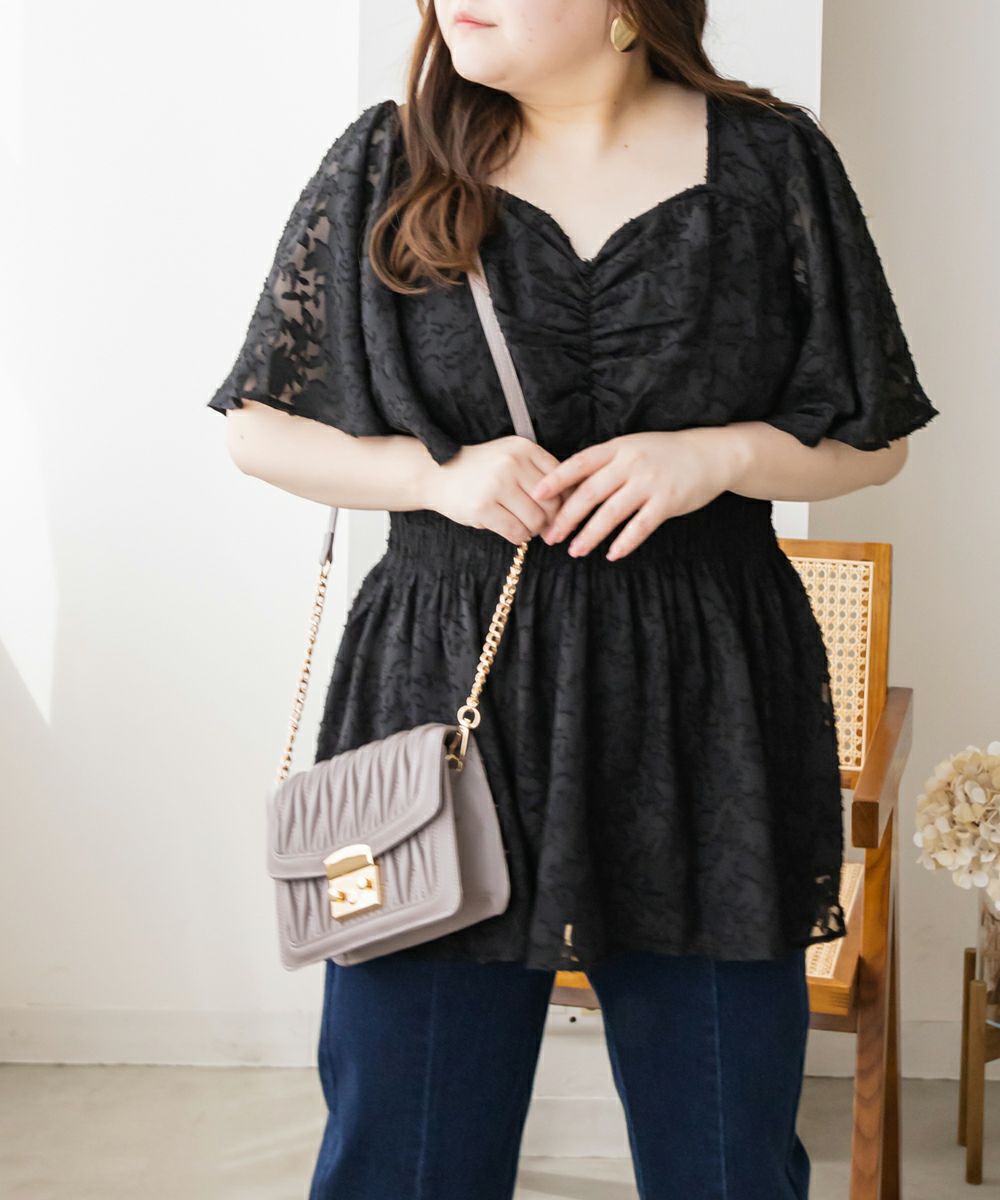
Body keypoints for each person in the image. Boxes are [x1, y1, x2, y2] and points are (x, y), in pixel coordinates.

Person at [206, 3, 939, 1197]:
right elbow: (259, 429)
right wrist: (436, 479)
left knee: (725, 1158)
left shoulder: (772, 163)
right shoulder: (389, 158)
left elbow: (874, 436)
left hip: (705, 705)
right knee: (406, 1147)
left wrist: (719, 456)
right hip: (444, 699)